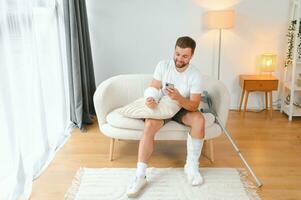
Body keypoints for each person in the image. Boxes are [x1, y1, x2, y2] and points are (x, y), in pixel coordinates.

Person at [126, 36, 205, 198]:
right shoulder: (163, 65)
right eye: (177, 54)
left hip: (182, 106)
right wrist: (152, 99)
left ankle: (191, 167)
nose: (179, 59)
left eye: (184, 56)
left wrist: (179, 98)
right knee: (149, 125)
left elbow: (194, 105)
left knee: (199, 119)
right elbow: (154, 86)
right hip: (163, 105)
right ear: (174, 51)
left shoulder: (195, 75)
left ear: (192, 56)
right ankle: (140, 176)